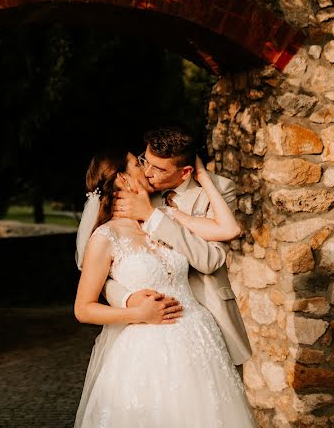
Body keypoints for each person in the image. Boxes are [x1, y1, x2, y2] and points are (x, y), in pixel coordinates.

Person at [73, 149, 256, 427]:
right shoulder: (105, 236)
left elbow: (224, 236)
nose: (146, 170)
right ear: (122, 178)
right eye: (138, 163)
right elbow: (83, 308)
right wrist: (133, 308)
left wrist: (200, 177)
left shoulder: (158, 218)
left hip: (200, 340)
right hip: (148, 349)